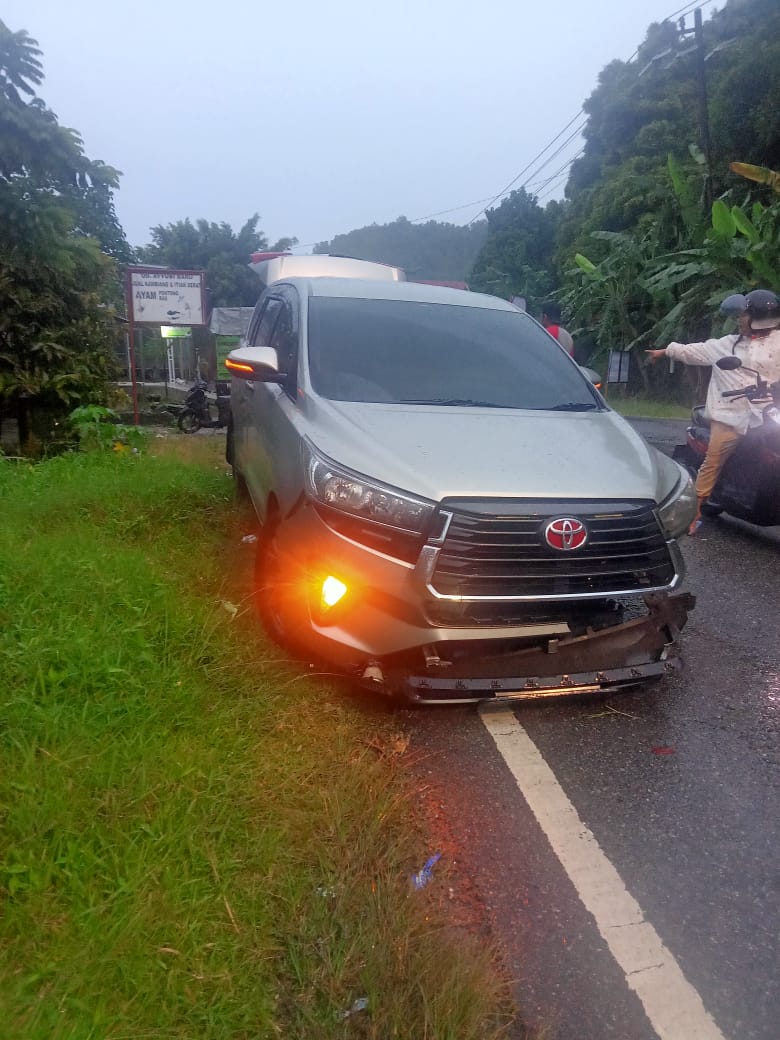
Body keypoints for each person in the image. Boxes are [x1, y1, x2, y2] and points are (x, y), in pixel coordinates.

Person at [646, 288, 780, 534]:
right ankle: (691, 513)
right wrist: (664, 351)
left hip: (769, 411)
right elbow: (692, 351)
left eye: (745, 315)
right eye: (741, 315)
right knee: (715, 457)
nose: (740, 320)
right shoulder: (726, 346)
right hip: (731, 414)